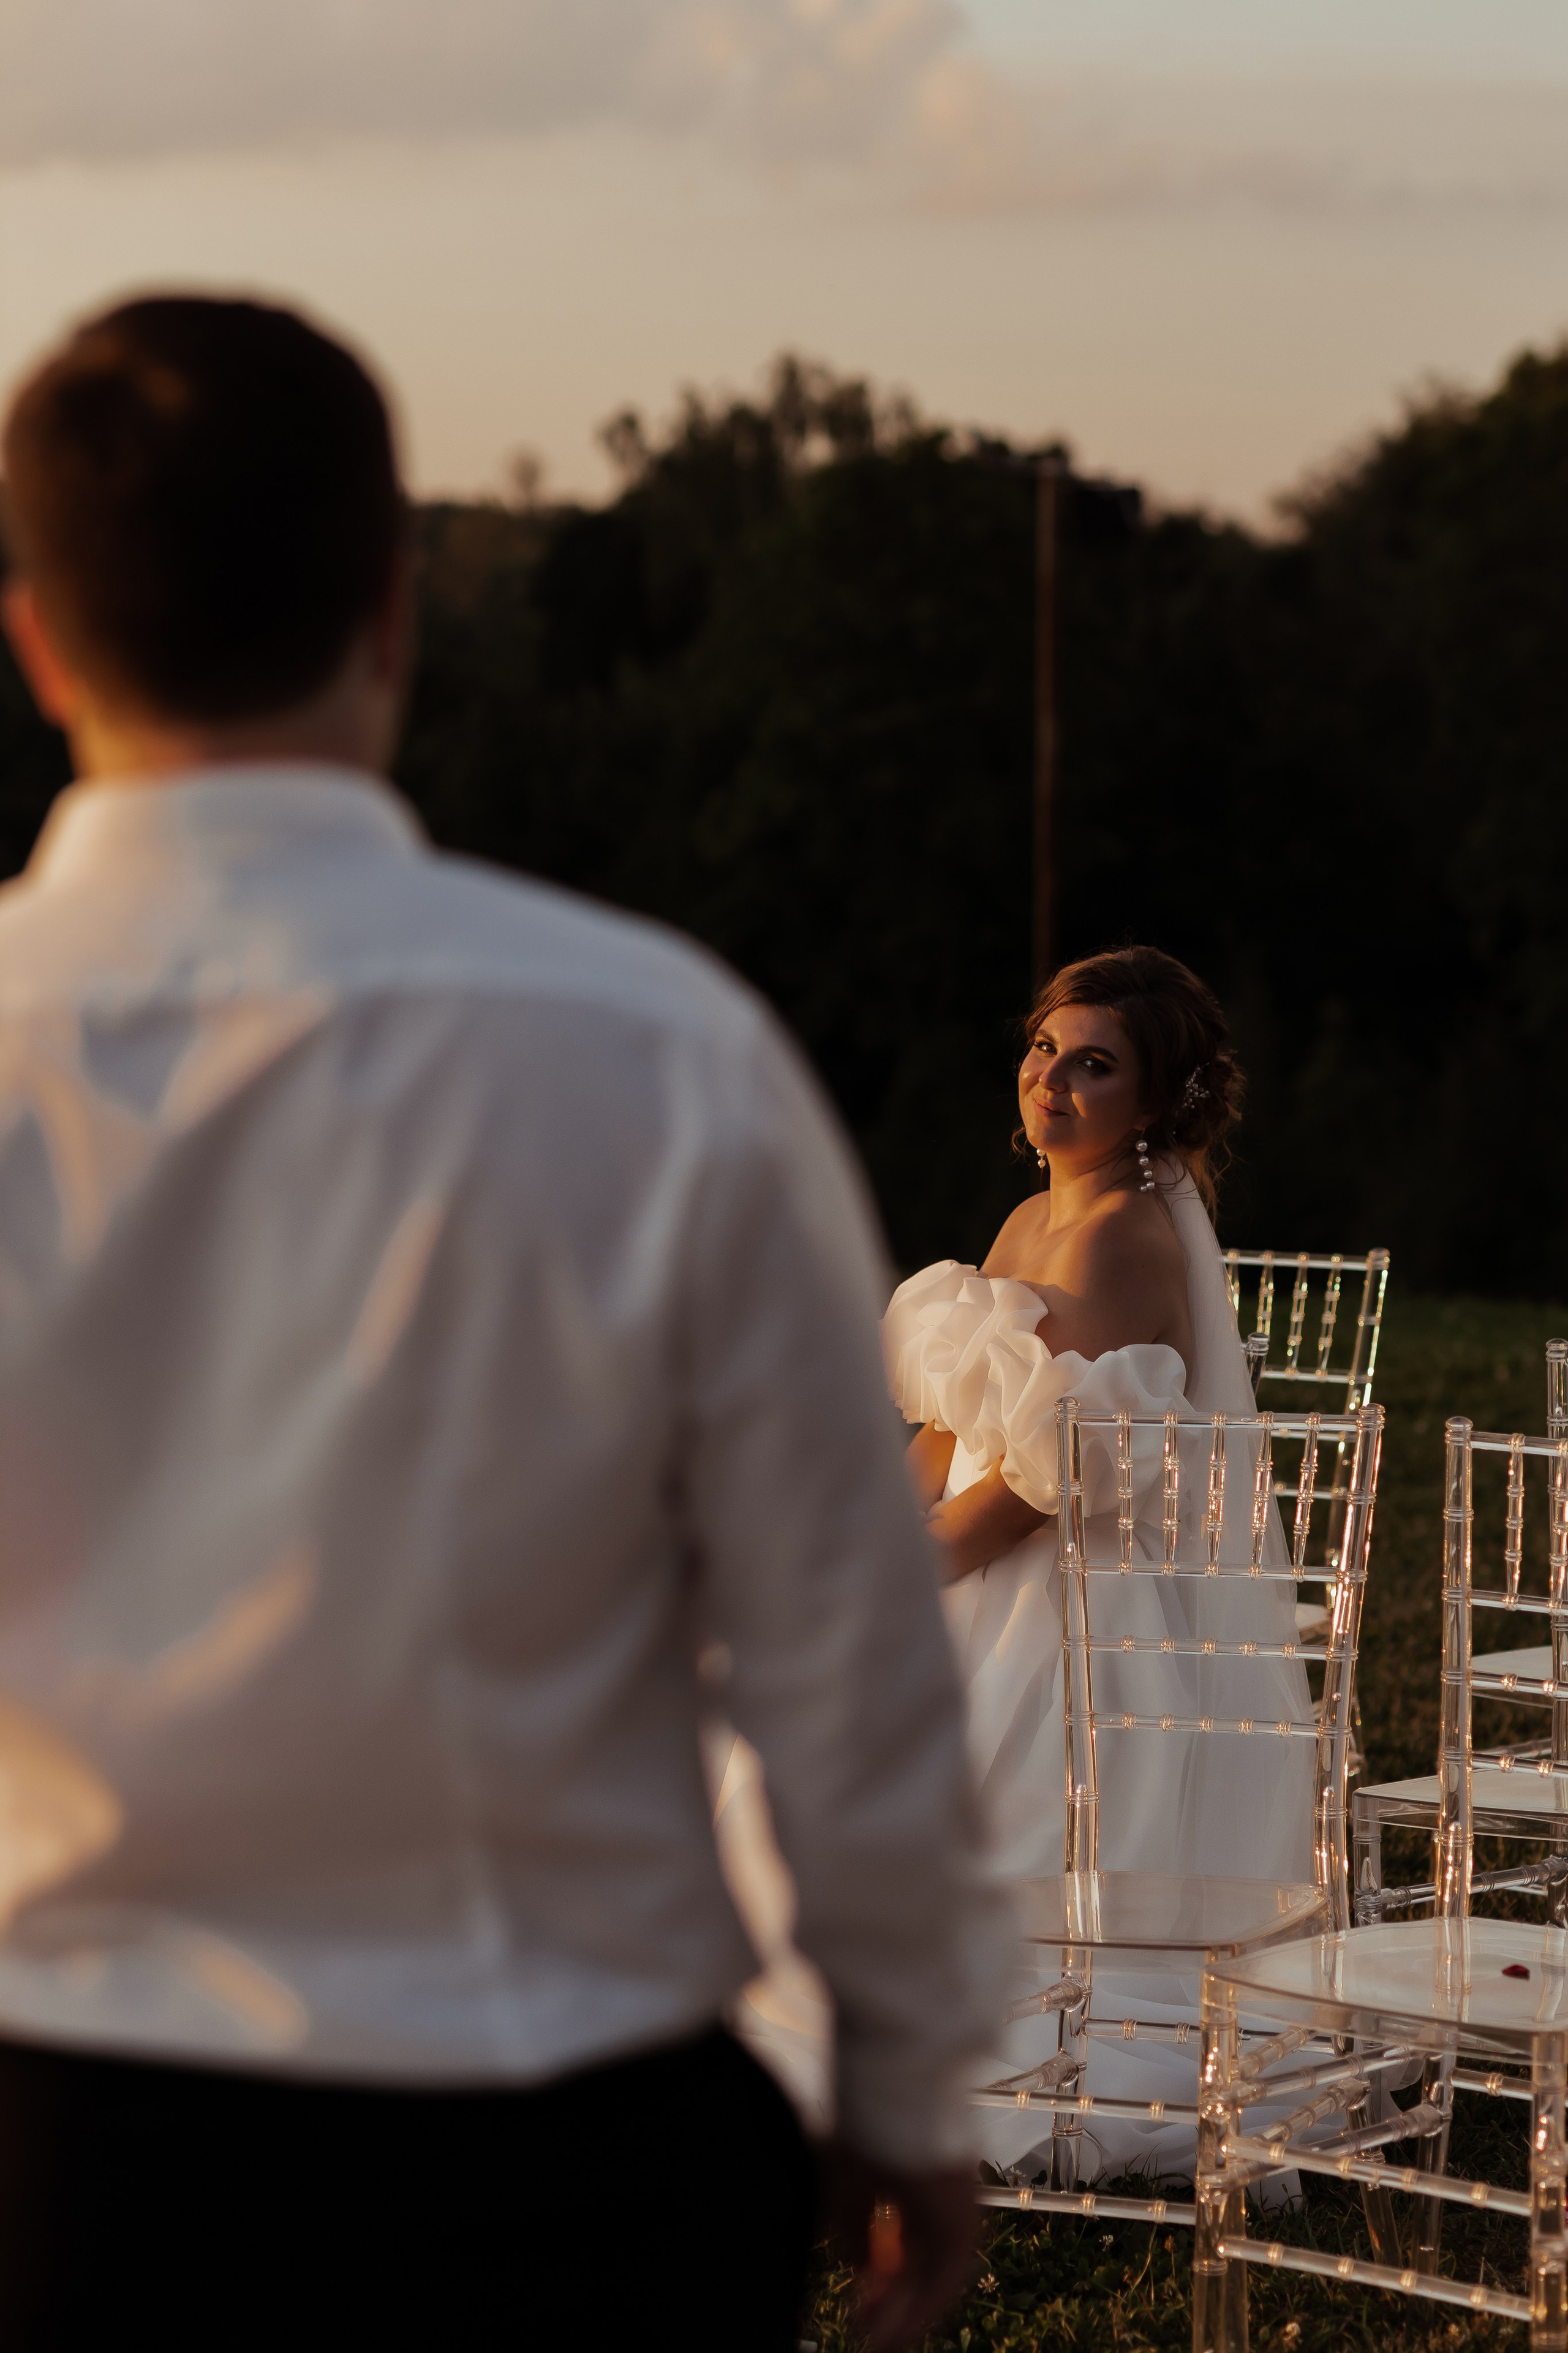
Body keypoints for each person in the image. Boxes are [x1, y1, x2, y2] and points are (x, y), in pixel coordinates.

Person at [0, 294, 1008, 2351]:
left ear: (35, 634)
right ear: (399, 602)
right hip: (560, 2172)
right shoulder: (658, 1054)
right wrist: (906, 2083)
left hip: (42, 2151)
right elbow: (846, 1651)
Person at [883, 945, 1314, 2179]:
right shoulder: (1032, 1214)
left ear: (1157, 1098)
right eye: (1042, 1050)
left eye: (1093, 1064)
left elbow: (1045, 1477)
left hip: (1072, 1588)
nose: (1052, 1081)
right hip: (984, 1530)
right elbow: (964, 1425)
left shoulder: (1124, 1237)